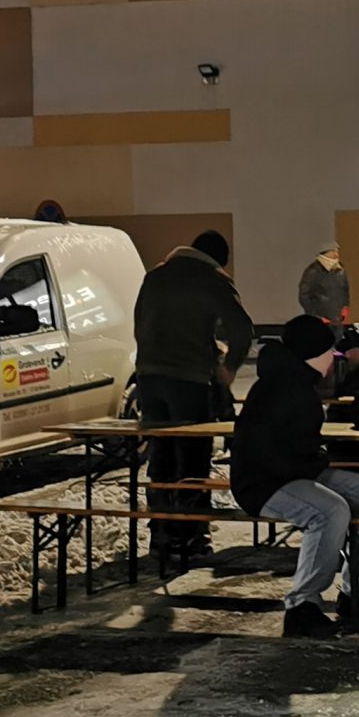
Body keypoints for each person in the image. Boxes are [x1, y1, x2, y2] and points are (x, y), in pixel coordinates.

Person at [231, 316, 359, 638]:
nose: (334, 358)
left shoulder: (300, 383)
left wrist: (314, 463)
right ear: (311, 355)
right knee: (330, 510)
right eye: (328, 352)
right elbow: (264, 452)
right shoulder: (279, 388)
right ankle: (302, 606)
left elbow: (302, 449)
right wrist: (314, 463)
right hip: (263, 483)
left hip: (299, 472)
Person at [130, 230, 254, 568]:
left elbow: (139, 326)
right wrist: (228, 368)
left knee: (161, 455)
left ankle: (161, 534)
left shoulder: (154, 278)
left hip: (149, 379)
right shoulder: (212, 279)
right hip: (190, 381)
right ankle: (192, 536)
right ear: (218, 260)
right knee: (193, 458)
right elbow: (242, 330)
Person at [298, 243, 347, 325]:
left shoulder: (339, 269)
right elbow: (304, 296)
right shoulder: (313, 271)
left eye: (337, 251)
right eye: (333, 251)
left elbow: (344, 289)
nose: (336, 254)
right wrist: (316, 316)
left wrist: (345, 307)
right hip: (319, 321)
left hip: (337, 319)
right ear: (325, 252)